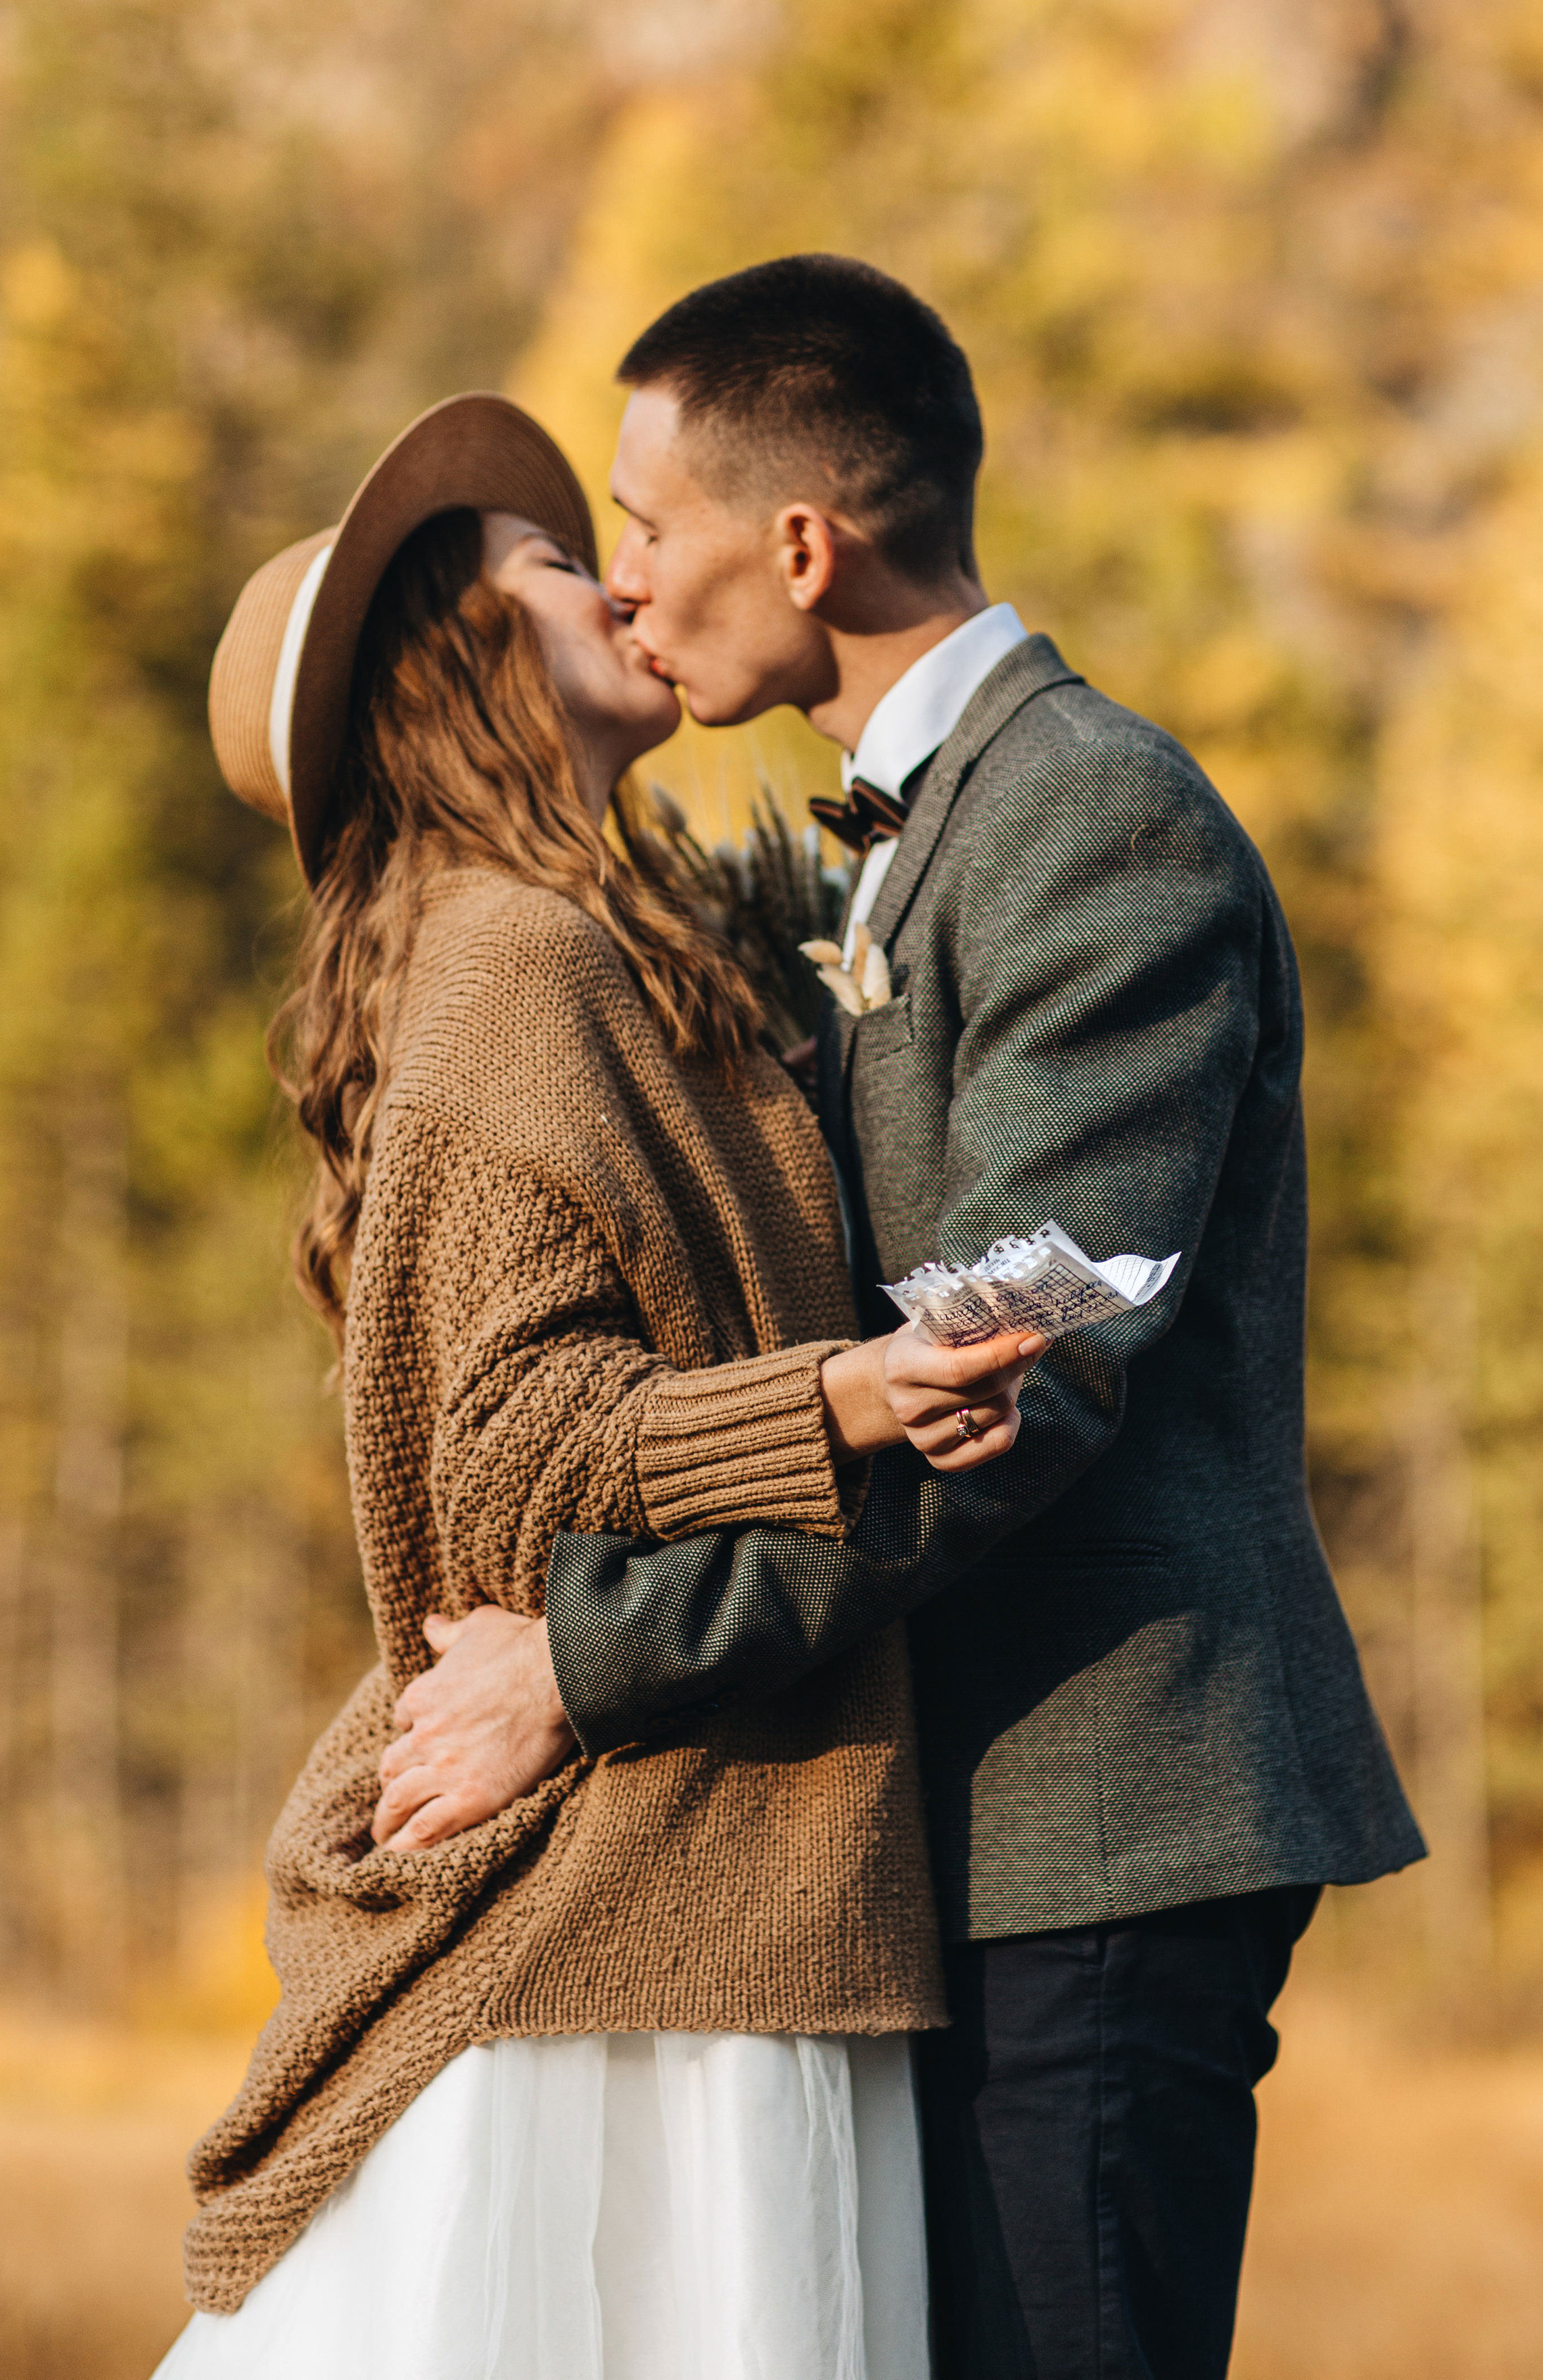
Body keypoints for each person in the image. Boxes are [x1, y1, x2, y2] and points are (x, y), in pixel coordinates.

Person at [379, 261, 1428, 2380]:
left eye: (649, 531)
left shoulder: (1090, 821)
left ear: (801, 545)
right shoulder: (897, 829)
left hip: (1100, 1817)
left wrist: (593, 1666)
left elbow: (1008, 1400)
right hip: (945, 1822)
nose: (635, 589)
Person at [161, 390, 1042, 2379]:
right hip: (645, 1934)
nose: (622, 576)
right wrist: (840, 1399)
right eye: (561, 564)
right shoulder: (512, 964)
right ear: (465, 661)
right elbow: (511, 1462)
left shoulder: (618, 953)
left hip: (734, 1870)